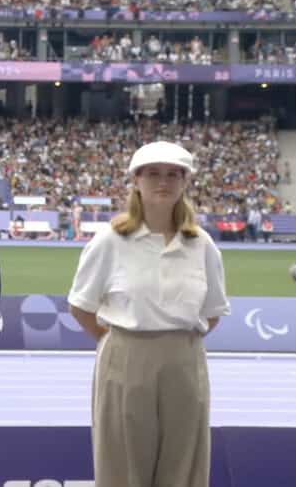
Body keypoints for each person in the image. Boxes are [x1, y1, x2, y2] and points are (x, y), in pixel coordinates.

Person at [67, 141, 231, 487]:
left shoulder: (201, 245)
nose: (164, 182)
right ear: (136, 181)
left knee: (184, 463)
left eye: (174, 174)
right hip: (125, 354)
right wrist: (117, 344)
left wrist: (175, 344)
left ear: (185, 182)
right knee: (122, 464)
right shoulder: (110, 240)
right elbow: (81, 306)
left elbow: (213, 311)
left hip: (184, 361)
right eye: (153, 173)